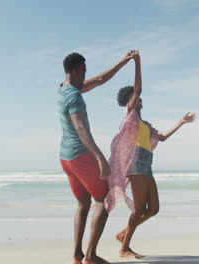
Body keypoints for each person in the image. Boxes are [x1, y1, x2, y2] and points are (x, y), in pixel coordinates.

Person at [104, 50, 196, 258]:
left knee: (153, 209)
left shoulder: (145, 125)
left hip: (147, 165)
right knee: (138, 210)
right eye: (137, 97)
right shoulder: (131, 117)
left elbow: (161, 138)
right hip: (136, 165)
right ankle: (124, 248)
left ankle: (123, 235)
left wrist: (181, 122)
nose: (140, 99)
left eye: (139, 98)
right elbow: (138, 88)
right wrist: (137, 61)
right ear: (131, 101)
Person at [58, 51, 134, 264]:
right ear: (75, 69)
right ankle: (90, 256)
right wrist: (100, 157)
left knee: (83, 202)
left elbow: (101, 80)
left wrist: (122, 62)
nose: (85, 75)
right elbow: (81, 128)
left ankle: (77, 255)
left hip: (66, 158)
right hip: (81, 156)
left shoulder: (63, 90)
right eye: (83, 71)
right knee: (104, 200)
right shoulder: (74, 96)